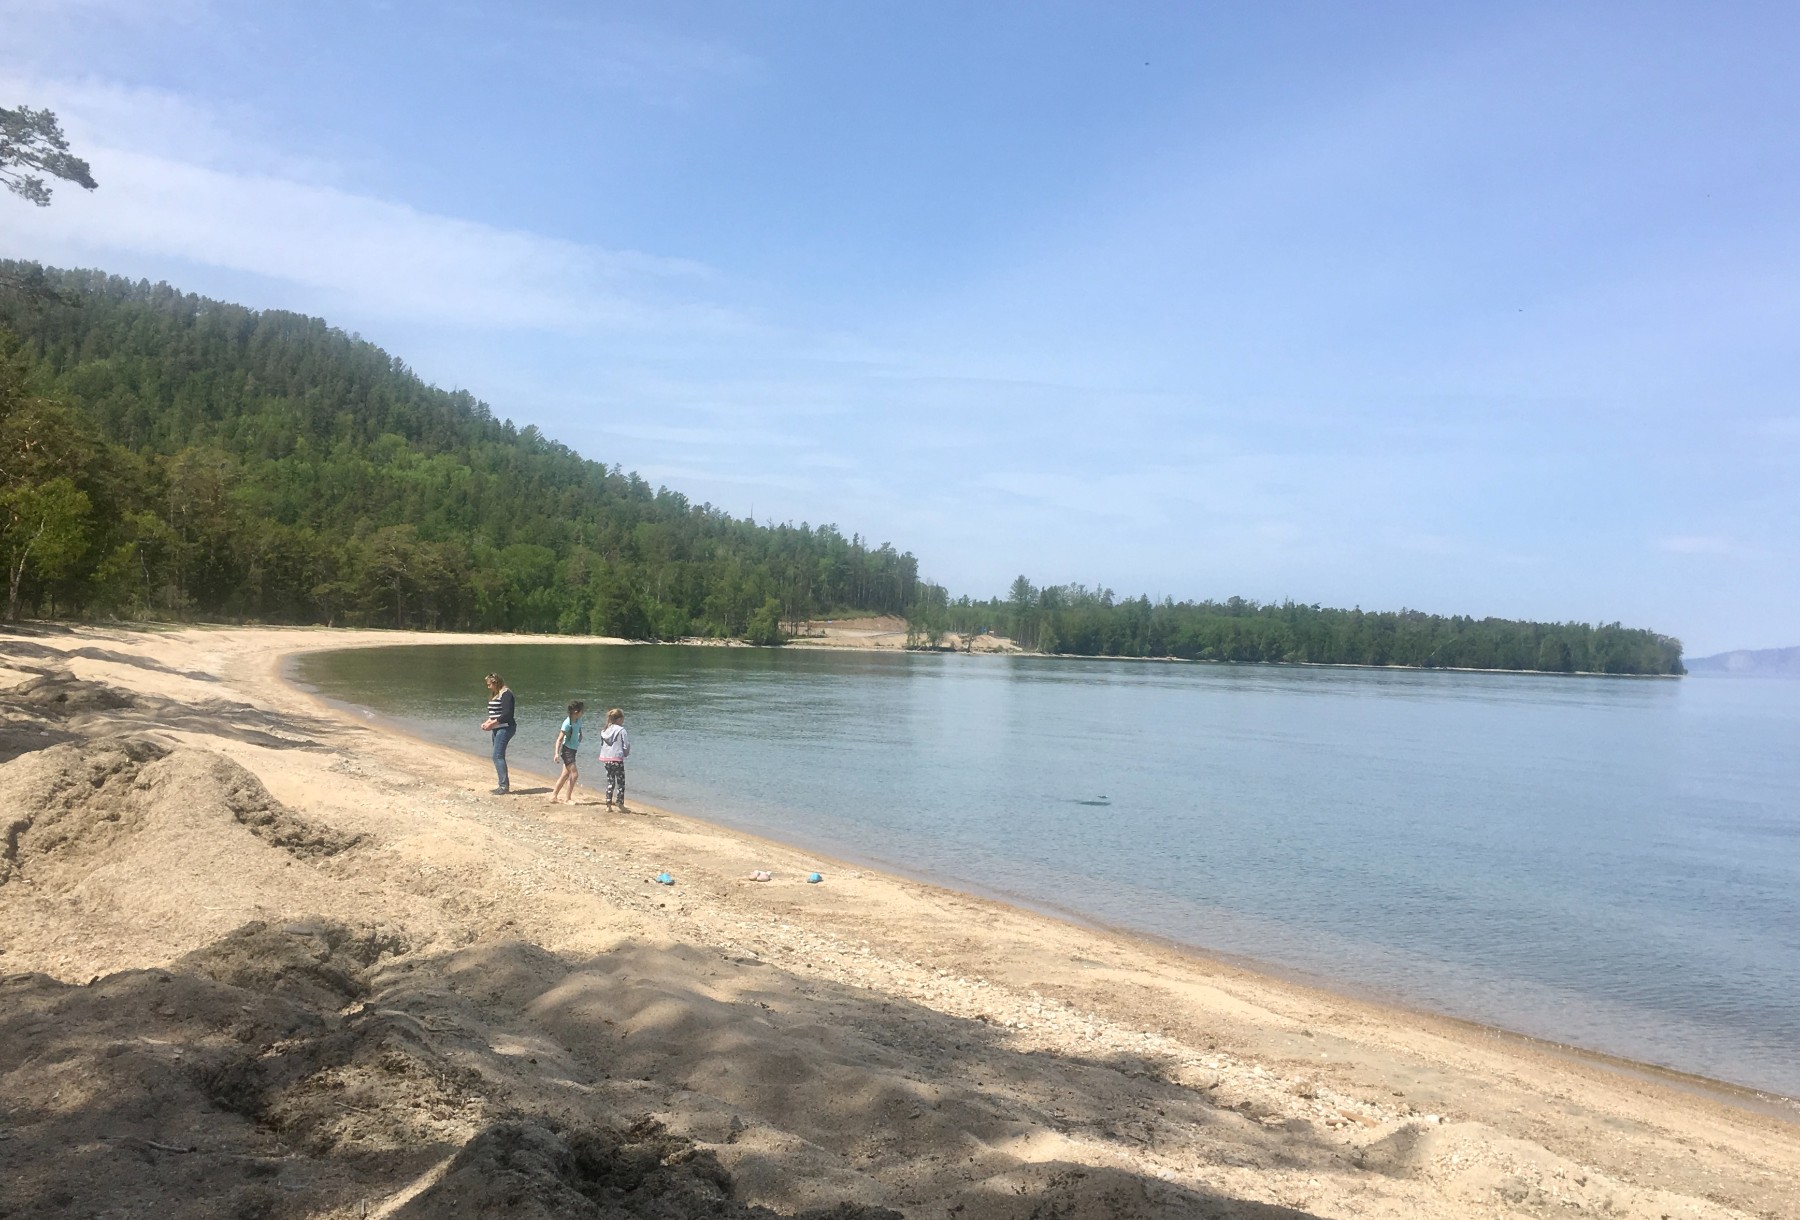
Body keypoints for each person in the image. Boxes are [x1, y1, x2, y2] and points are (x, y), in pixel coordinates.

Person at [479, 673, 515, 794]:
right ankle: (502, 784)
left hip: (506, 728)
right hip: (497, 727)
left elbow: (507, 714)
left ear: (496, 683)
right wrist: (487, 722)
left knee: (497, 755)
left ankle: (504, 786)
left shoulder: (506, 694)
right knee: (497, 755)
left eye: (489, 684)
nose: (488, 687)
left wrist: (492, 724)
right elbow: (495, 713)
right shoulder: (495, 694)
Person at [551, 700, 585, 804]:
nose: (583, 713)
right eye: (582, 711)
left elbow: (579, 728)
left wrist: (580, 735)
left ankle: (553, 796)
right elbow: (559, 739)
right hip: (567, 751)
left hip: (573, 750)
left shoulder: (578, 720)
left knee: (565, 775)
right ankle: (568, 798)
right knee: (574, 775)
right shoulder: (567, 724)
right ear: (576, 712)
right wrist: (556, 753)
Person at [597, 707, 630, 810]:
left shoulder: (605, 730)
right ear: (619, 719)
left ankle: (608, 804)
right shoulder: (621, 730)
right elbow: (626, 745)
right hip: (617, 759)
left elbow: (602, 744)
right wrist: (625, 753)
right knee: (621, 782)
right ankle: (620, 803)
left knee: (610, 781)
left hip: (606, 759)